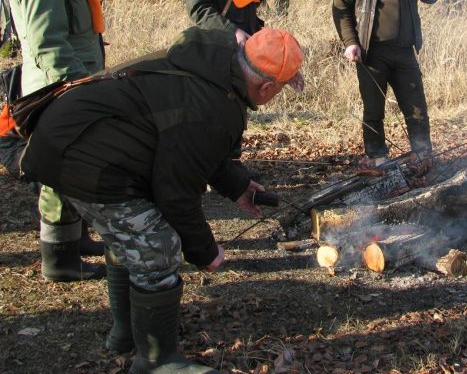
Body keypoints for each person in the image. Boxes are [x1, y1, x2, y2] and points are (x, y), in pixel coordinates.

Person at [20, 26, 304, 373]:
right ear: (266, 87)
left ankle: (128, 334)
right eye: (281, 88)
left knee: (132, 237)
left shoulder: (214, 66)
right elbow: (176, 192)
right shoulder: (212, 105)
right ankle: (156, 360)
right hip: (81, 157)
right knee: (158, 246)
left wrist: (239, 186)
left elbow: (191, 147)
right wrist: (205, 251)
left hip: (75, 137)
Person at [4, 0, 108, 281]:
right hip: (56, 90)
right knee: (60, 171)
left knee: (75, 166)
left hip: (72, 85)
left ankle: (76, 238)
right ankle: (60, 260)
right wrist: (76, 87)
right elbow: (47, 42)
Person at [332, 0, 439, 167]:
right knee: (373, 110)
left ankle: (423, 157)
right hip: (372, 52)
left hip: (404, 50)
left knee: (416, 108)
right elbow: (340, 7)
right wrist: (351, 42)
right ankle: (377, 158)